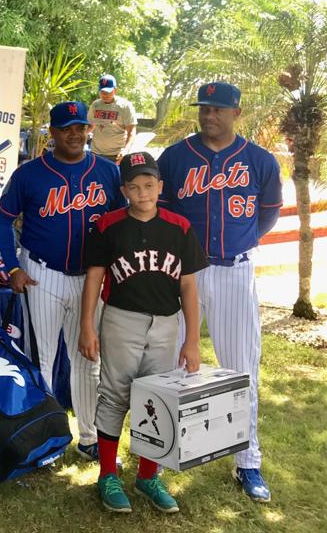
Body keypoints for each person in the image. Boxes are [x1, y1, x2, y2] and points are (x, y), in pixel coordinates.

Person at [157, 81, 282, 502]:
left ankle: (248, 462)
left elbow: (266, 215)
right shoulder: (174, 158)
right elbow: (162, 212)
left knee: (242, 366)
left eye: (217, 109)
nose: (209, 115)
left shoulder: (260, 161)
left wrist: (237, 242)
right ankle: (156, 455)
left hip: (233, 270)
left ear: (236, 113)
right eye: (204, 108)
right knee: (168, 359)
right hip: (182, 272)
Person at [0, 101, 124, 462]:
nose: (75, 134)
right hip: (42, 273)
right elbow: (2, 220)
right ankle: (47, 439)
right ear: (52, 133)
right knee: (43, 358)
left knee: (87, 358)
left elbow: (120, 222)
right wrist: (12, 267)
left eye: (80, 127)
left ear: (89, 129)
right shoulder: (30, 173)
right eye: (67, 128)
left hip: (90, 278)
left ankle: (89, 437)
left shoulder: (107, 172)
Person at [78, 151, 206, 514]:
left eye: (149, 185)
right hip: (121, 318)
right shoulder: (108, 225)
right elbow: (94, 278)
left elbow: (189, 288)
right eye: (134, 187)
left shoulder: (179, 227)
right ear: (124, 190)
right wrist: (88, 325)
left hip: (166, 323)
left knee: (159, 397)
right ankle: (107, 474)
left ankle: (148, 475)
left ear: (160, 186)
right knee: (115, 394)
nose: (142, 193)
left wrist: (192, 340)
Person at [88, 74, 137, 163]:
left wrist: (125, 150)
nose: (105, 95)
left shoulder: (125, 106)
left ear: (115, 90)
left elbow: (131, 132)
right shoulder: (95, 105)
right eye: (102, 91)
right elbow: (90, 126)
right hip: (95, 153)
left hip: (116, 155)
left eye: (108, 91)